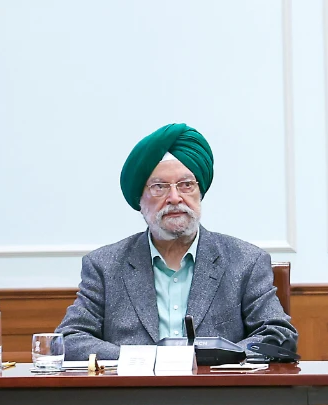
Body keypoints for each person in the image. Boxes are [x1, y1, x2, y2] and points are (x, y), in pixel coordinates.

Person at [57, 123, 297, 361]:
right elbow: (69, 339)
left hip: (215, 386)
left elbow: (277, 335)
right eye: (159, 187)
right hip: (135, 386)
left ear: (199, 192)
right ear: (140, 199)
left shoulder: (245, 261)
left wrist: (212, 355)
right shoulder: (105, 265)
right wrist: (143, 359)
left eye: (186, 185)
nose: (174, 198)